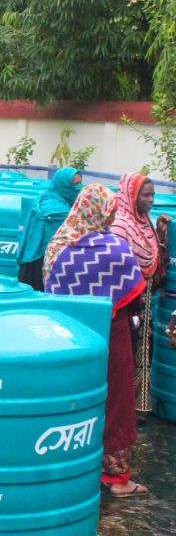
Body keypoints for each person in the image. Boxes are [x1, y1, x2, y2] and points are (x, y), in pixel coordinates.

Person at [45, 184, 147, 497]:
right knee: (116, 402)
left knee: (71, 399)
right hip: (112, 337)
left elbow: (49, 294)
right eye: (111, 211)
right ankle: (116, 478)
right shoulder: (116, 249)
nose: (114, 216)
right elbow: (136, 298)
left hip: (68, 340)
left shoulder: (58, 246)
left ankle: (68, 465)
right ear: (102, 212)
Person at [112, 172, 168, 415]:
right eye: (145, 195)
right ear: (131, 195)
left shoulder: (145, 223)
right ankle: (123, 409)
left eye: (153, 195)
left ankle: (139, 406)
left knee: (144, 352)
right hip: (126, 302)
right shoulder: (120, 224)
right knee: (125, 355)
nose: (151, 200)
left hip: (145, 302)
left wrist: (161, 235)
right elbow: (117, 266)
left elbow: (154, 260)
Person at [17, 167, 82, 290]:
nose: (79, 188)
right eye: (75, 184)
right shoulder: (56, 211)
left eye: (80, 183)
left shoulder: (47, 198)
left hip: (36, 262)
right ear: (63, 185)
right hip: (40, 267)